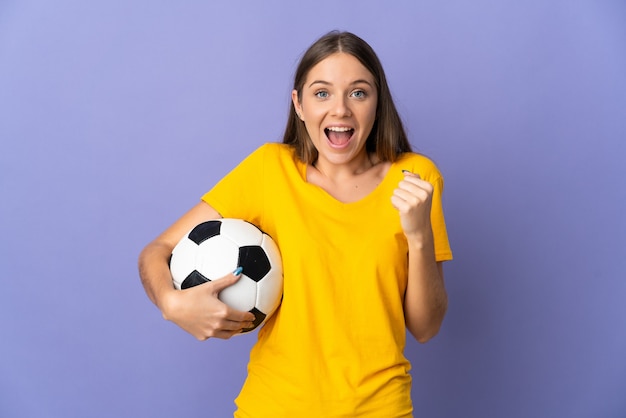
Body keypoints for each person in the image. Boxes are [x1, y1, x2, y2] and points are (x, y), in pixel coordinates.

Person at [138, 30, 452, 418]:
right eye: (322, 93)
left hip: (380, 408)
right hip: (274, 406)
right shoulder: (270, 170)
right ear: (299, 105)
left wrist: (420, 237)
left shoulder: (415, 179)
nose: (340, 110)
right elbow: (157, 251)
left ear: (377, 103)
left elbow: (425, 327)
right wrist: (171, 303)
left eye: (358, 92)